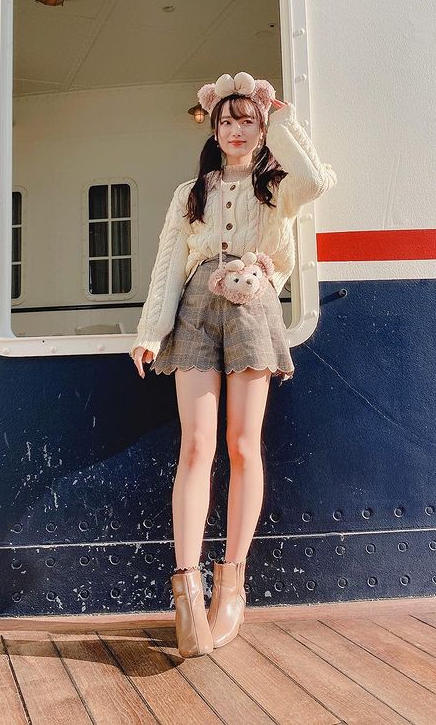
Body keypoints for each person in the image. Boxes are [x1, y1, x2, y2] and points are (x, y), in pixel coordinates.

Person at [130, 71, 337, 658]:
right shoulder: (189, 192)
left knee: (243, 446)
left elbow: (318, 180)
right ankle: (187, 591)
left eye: (247, 120)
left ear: (261, 128)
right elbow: (169, 263)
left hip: (252, 307)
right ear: (214, 130)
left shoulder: (279, 185)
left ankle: (232, 587)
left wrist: (283, 117)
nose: (236, 130)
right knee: (196, 446)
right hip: (196, 310)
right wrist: (151, 333)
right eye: (226, 121)